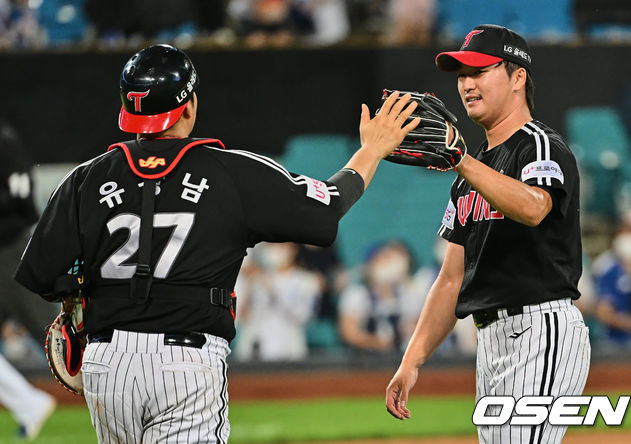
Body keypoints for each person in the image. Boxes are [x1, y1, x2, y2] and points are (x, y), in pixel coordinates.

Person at [14, 44, 420, 443]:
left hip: (108, 362)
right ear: (188, 105)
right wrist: (371, 150)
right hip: (186, 359)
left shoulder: (85, 178)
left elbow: (41, 273)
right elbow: (327, 206)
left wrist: (76, 300)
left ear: (129, 110)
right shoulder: (231, 172)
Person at [385, 25, 591, 444]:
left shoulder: (539, 145)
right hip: (491, 339)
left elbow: (534, 208)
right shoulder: (467, 174)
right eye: (461, 74)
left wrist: (461, 160)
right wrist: (412, 360)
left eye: (479, 70)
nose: (466, 83)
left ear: (518, 77)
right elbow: (450, 278)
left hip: (541, 329)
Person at [0, 119, 57, 439]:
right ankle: (28, 404)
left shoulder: (2, 139)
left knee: (57, 342)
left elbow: (23, 199)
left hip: (8, 252)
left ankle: (123, 395)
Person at [234, 242, 322, 361]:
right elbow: (242, 317)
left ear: (293, 249)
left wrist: (272, 287)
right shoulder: (256, 277)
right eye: (271, 246)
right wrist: (249, 284)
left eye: (281, 246)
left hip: (288, 350)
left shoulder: (307, 280)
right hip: (255, 351)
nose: (275, 250)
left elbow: (303, 316)